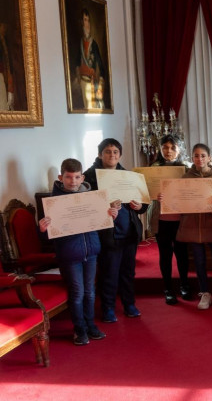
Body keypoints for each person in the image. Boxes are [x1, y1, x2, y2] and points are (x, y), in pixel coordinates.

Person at [39, 158, 117, 345]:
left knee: (90, 292)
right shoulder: (52, 202)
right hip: (69, 255)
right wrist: (42, 228)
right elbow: (45, 235)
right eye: (68, 177)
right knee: (77, 293)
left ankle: (90, 326)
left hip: (91, 251)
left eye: (76, 177)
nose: (72, 181)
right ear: (61, 177)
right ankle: (79, 329)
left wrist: (110, 215)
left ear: (82, 178)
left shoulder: (92, 198)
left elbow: (101, 222)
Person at [83, 138, 148, 323]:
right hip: (107, 233)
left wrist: (138, 206)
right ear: (100, 154)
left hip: (129, 232)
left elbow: (143, 205)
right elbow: (86, 206)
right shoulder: (89, 176)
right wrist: (105, 203)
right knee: (109, 273)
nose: (112, 155)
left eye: (115, 152)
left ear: (120, 155)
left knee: (128, 272)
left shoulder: (128, 175)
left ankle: (129, 304)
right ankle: (108, 308)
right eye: (107, 152)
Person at [172, 143, 212, 310]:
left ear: (209, 158)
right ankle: (204, 293)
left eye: (203, 155)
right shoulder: (186, 178)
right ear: (192, 158)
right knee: (199, 261)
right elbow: (180, 201)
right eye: (196, 156)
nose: (200, 159)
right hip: (193, 224)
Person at [146, 135, 190, 305]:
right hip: (161, 219)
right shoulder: (152, 168)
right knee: (165, 255)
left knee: (182, 254)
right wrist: (153, 194)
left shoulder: (186, 169)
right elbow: (145, 193)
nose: (168, 151)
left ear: (179, 149)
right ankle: (168, 289)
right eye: (165, 147)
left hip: (181, 219)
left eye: (172, 147)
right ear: (160, 149)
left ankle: (185, 285)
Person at [73, 8, 108, 110]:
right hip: (82, 81)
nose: (87, 23)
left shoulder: (94, 44)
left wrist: (100, 80)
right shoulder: (79, 44)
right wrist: (78, 74)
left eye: (88, 20)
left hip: (92, 81)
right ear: (81, 23)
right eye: (85, 20)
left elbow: (100, 65)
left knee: (93, 107)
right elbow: (76, 62)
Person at [0, 22, 14, 111]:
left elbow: (7, 59)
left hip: (4, 72)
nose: (4, 29)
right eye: (3, 27)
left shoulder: (4, 40)